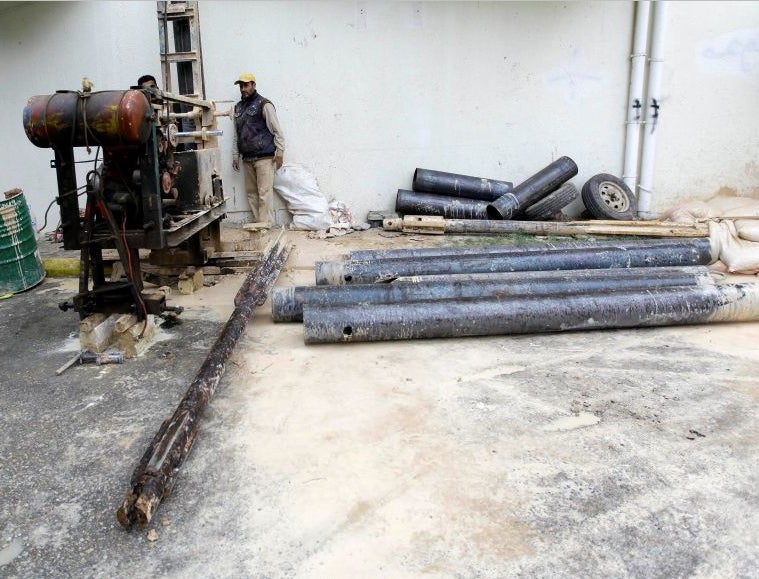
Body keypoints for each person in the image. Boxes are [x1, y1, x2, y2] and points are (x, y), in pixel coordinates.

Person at [231, 72, 285, 226]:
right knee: (252, 194)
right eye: (241, 86)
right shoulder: (238, 107)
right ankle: (258, 224)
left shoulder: (264, 104)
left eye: (246, 85)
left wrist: (280, 153)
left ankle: (266, 226)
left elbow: (277, 131)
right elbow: (237, 134)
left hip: (264, 158)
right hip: (247, 159)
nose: (243, 89)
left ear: (254, 85)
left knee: (264, 194)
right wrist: (235, 156)